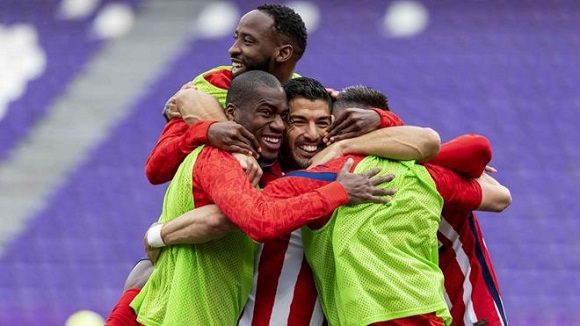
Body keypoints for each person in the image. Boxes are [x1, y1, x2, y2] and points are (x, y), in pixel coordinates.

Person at [129, 71, 394, 325]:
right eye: (297, 121)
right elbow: (236, 216)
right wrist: (159, 235)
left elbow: (426, 141)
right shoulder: (251, 174)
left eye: (322, 122)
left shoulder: (346, 171)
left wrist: (377, 119)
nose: (312, 134)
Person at [309, 85, 511, 325]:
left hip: (471, 312)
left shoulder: (420, 171)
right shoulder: (351, 179)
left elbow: (499, 194)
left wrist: (354, 143)